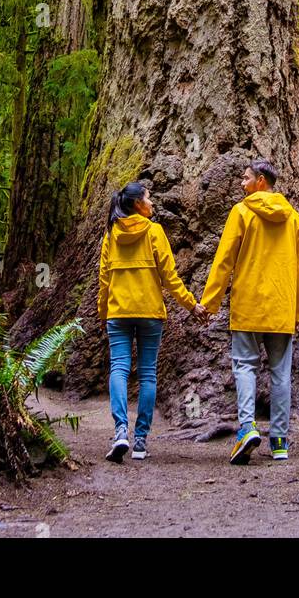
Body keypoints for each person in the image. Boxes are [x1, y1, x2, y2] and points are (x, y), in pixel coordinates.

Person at [199, 158, 299, 464]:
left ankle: (246, 428)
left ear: (261, 181)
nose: (240, 184)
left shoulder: (242, 212)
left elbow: (224, 259)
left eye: (245, 179)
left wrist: (209, 303)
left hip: (248, 305)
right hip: (281, 308)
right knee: (280, 373)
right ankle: (280, 441)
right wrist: (297, 312)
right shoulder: (294, 219)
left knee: (245, 366)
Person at [98, 180, 207, 462]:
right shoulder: (154, 232)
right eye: (149, 198)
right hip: (149, 313)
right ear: (137, 204)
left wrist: (103, 311)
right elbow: (170, 277)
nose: (153, 202)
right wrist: (191, 305)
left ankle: (120, 430)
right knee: (147, 374)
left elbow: (104, 279)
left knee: (119, 369)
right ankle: (141, 442)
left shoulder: (111, 234)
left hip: (118, 313)